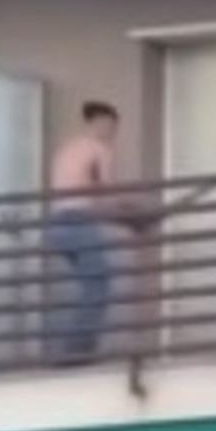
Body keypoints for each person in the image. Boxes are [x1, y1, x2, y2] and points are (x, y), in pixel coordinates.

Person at [46, 101, 150, 361]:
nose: (112, 133)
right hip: (78, 221)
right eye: (111, 126)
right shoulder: (99, 148)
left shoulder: (69, 148)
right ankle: (77, 352)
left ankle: (75, 348)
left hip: (57, 224)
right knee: (98, 286)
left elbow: (84, 194)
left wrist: (125, 217)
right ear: (99, 123)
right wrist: (135, 213)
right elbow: (107, 192)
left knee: (90, 285)